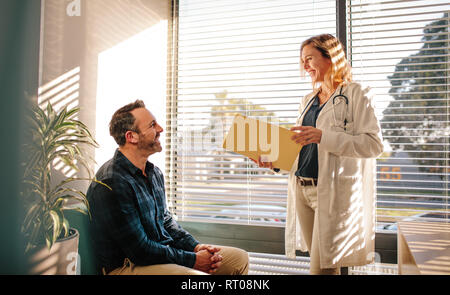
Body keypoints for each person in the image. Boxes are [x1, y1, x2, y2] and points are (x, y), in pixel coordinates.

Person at [255, 34, 383, 275]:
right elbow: (302, 147)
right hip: (302, 189)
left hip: (332, 192)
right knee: (322, 264)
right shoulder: (308, 100)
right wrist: (275, 163)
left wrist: (324, 136)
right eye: (302, 60)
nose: (305, 66)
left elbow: (373, 145)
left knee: (322, 270)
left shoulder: (357, 93)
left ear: (330, 58)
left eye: (310, 58)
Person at [86, 100, 249, 275]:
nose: (161, 129)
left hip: (155, 256)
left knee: (238, 258)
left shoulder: (154, 173)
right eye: (152, 125)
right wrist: (193, 261)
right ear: (131, 137)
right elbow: (139, 250)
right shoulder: (112, 181)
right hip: (125, 266)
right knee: (192, 276)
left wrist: (195, 247)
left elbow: (165, 221)